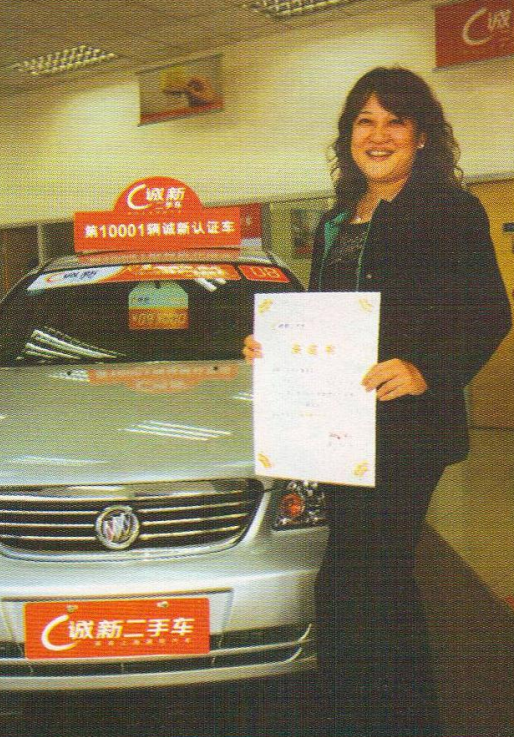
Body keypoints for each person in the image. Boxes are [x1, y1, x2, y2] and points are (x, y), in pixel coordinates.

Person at [243, 66, 511, 737]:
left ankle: (387, 716)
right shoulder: (336, 221)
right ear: (349, 136)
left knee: (366, 579)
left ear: (421, 136)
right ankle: (376, 713)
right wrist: (276, 345)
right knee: (363, 581)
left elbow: (489, 312)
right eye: (365, 121)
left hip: (407, 427)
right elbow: (323, 318)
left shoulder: (449, 211)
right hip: (339, 429)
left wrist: (426, 370)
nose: (379, 134)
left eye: (396, 120)